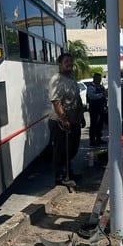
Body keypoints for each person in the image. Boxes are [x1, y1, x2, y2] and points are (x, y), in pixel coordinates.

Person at [49, 53, 85, 185]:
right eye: (66, 61)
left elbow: (77, 98)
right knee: (61, 150)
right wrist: (64, 120)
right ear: (60, 64)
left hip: (74, 120)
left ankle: (69, 173)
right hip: (60, 122)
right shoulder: (57, 79)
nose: (69, 64)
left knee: (72, 149)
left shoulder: (71, 78)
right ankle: (60, 177)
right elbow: (56, 101)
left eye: (71, 61)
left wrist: (81, 115)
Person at [87, 72, 108, 146]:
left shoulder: (101, 87)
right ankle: (92, 141)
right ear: (94, 78)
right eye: (97, 78)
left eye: (100, 79)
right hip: (94, 108)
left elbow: (105, 95)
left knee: (100, 124)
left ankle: (99, 139)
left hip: (101, 108)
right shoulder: (91, 87)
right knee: (94, 124)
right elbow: (92, 96)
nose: (99, 80)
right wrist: (102, 94)